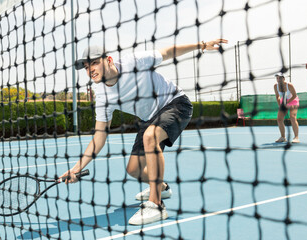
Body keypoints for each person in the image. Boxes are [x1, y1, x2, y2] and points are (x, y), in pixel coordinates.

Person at [60, 39, 228, 225]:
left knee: (150, 137)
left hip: (176, 104)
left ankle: (156, 204)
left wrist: (201, 45)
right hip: (150, 118)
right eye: (86, 66)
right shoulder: (102, 96)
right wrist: (76, 168)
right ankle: (161, 187)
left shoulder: (135, 62)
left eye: (94, 63)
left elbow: (168, 52)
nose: (90, 69)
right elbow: (99, 137)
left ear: (108, 60)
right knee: (134, 169)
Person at [273, 73, 300, 143]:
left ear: (284, 78)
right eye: (277, 78)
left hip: (293, 100)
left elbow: (294, 95)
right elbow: (277, 96)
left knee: (292, 118)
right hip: (284, 101)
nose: (278, 80)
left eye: (280, 78)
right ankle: (283, 137)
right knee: (279, 119)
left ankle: (296, 137)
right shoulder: (276, 86)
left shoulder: (289, 85)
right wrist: (280, 105)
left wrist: (287, 103)